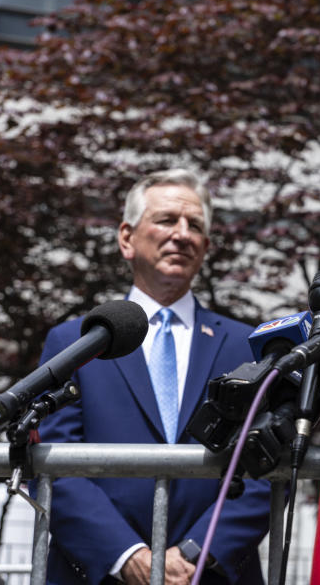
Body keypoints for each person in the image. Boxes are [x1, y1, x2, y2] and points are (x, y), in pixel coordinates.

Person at [38, 169, 272, 585]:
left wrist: (195, 553)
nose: (182, 234)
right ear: (127, 238)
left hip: (208, 574)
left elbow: (263, 467)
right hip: (100, 573)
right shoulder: (74, 342)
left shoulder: (246, 346)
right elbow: (57, 465)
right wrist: (127, 556)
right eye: (166, 220)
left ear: (206, 247)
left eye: (195, 225)